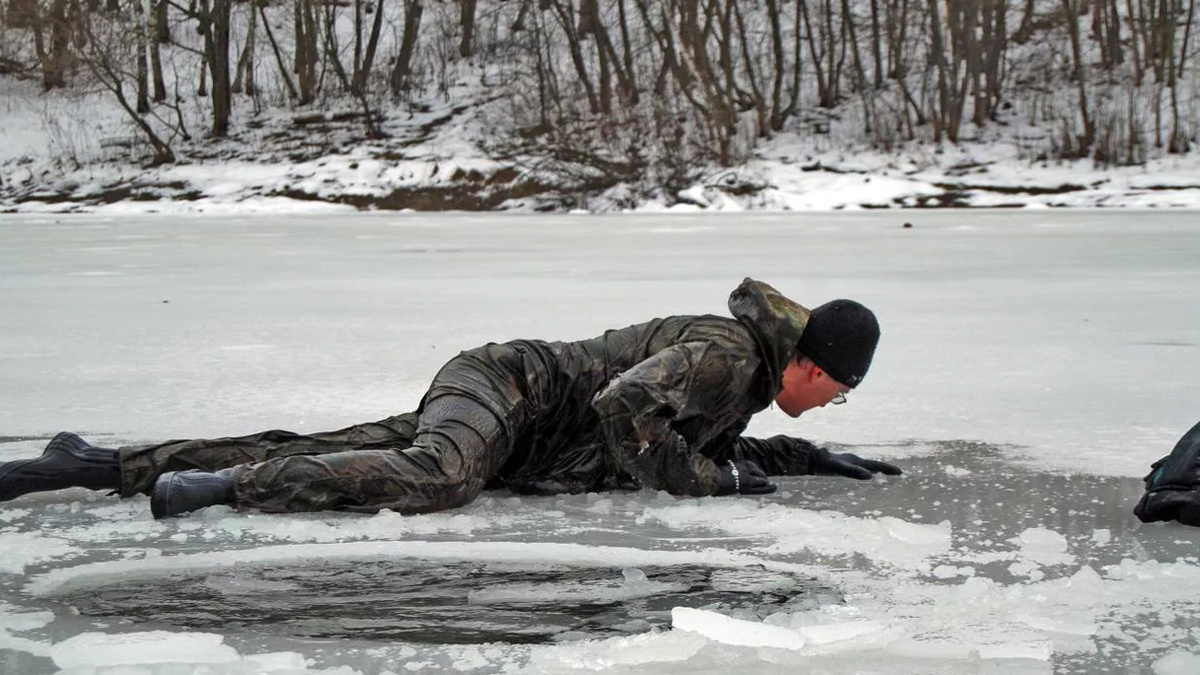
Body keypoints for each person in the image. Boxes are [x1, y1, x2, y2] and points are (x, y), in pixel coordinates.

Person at [0, 278, 901, 519]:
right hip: (510, 387)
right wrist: (711, 486)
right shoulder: (726, 352)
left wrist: (807, 459)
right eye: (836, 405)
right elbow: (625, 411)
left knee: (337, 445)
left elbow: (715, 444)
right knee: (436, 475)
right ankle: (227, 489)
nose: (828, 410)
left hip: (517, 435)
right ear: (817, 369)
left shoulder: (745, 381)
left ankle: (95, 465)